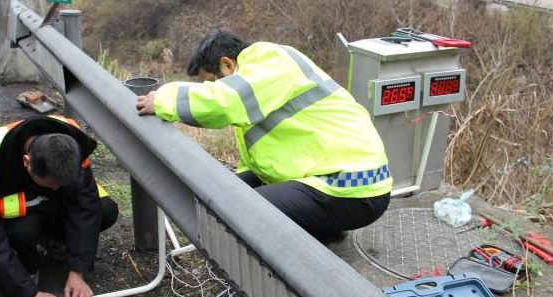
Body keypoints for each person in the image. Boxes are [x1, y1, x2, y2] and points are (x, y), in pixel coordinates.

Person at [136, 30, 391, 242]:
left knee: (246, 212)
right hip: (328, 175)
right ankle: (323, 233)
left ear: (227, 64)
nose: (209, 88)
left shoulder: (269, 59)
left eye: (210, 81)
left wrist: (164, 99)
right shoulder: (256, 79)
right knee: (228, 192)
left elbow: (223, 103)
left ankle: (299, 267)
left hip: (354, 185)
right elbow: (258, 157)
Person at [0, 115, 118, 297]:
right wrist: (30, 294)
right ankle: (25, 260)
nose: (56, 188)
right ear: (27, 162)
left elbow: (84, 208)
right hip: (19, 223)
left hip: (50, 209)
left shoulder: (73, 145)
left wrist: (78, 272)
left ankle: (53, 242)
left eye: (61, 184)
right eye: (51, 183)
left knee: (105, 210)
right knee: (23, 231)